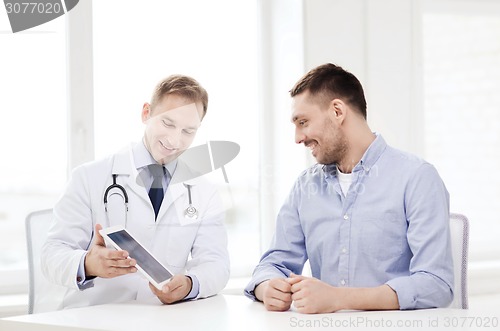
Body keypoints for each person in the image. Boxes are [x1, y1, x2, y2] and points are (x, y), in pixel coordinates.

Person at [244, 63, 453, 313]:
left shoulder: (416, 177)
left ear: (337, 111)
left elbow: (436, 284)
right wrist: (268, 287)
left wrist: (339, 298)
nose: (298, 137)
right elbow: (274, 263)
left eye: (303, 122)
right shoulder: (305, 186)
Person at [42, 75, 230, 309]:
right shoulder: (88, 177)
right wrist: (88, 264)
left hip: (161, 319)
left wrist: (191, 284)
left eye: (188, 131)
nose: (175, 139)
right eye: (168, 123)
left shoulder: (204, 192)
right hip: (94, 318)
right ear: (146, 113)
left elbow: (216, 263)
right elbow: (51, 255)